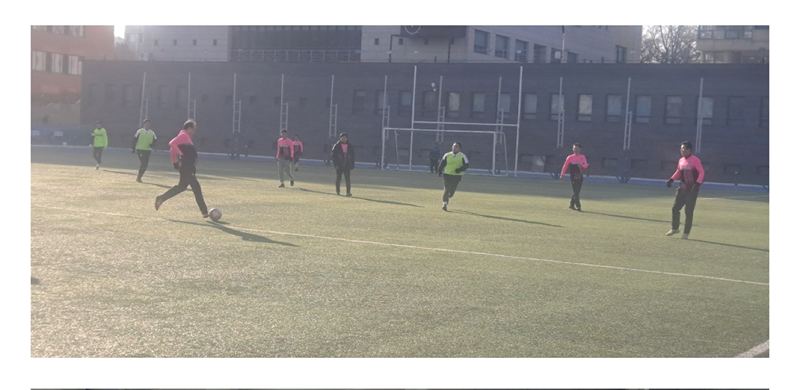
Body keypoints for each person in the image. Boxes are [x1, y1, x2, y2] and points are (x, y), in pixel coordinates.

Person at [154, 119, 209, 218]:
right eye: (194, 129)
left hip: (188, 167)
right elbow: (171, 144)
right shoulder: (184, 136)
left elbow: (172, 149)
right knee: (195, 188)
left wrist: (174, 162)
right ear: (188, 128)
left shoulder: (185, 136)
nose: (195, 131)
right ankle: (204, 212)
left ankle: (161, 198)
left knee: (182, 187)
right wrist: (180, 155)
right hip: (186, 167)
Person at [666, 141, 704, 239]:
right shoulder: (681, 160)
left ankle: (686, 233)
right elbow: (678, 172)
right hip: (682, 188)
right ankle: (675, 228)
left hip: (692, 190)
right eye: (681, 149)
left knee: (688, 211)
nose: (681, 151)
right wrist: (671, 180)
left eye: (683, 149)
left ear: (689, 150)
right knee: (675, 208)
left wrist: (697, 184)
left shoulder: (695, 160)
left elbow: (701, 172)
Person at [438, 141, 469, 211]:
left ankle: (449, 196)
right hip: (447, 174)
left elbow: (466, 165)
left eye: (456, 146)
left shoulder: (462, 156)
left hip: (456, 176)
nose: (454, 148)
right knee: (446, 189)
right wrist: (439, 170)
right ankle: (444, 204)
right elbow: (442, 163)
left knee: (451, 192)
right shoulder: (447, 155)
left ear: (459, 148)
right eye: (453, 146)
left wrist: (460, 170)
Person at [560, 143, 589, 211]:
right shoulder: (570, 157)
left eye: (576, 148)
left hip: (580, 176)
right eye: (574, 148)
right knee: (576, 191)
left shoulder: (582, 157)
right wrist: (562, 174)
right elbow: (565, 166)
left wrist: (581, 165)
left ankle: (571, 204)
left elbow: (586, 165)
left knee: (577, 192)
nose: (575, 150)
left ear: (580, 149)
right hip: (573, 176)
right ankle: (578, 206)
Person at [331, 132, 355, 196]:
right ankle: (338, 191)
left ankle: (348, 192)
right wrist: (335, 164)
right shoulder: (336, 146)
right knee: (338, 178)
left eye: (345, 137)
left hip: (347, 165)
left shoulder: (350, 146)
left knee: (347, 179)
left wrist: (352, 164)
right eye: (342, 137)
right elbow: (333, 156)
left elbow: (352, 156)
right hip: (339, 165)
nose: (343, 139)